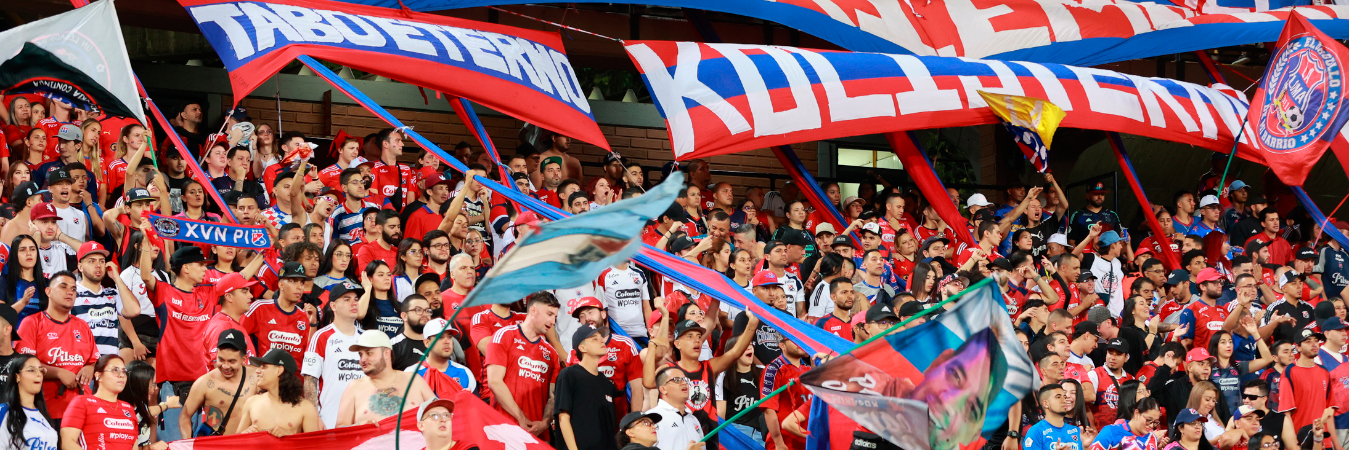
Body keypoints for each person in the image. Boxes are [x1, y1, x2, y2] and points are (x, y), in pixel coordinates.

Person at [15, 271, 95, 428]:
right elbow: (23, 365)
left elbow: (93, 360)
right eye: (63, 286)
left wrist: (90, 367)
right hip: (45, 411)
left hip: (83, 409)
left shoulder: (83, 326)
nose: (69, 292)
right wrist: (58, 372)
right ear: (48, 292)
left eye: (73, 289)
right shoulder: (31, 323)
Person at [485, 293, 559, 439]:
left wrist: (544, 423)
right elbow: (494, 382)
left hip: (537, 433)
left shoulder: (551, 353)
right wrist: (521, 417)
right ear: (533, 311)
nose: (553, 321)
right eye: (549, 314)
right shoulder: (503, 336)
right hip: (505, 429)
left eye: (555, 316)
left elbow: (553, 396)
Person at [335, 330, 434, 426]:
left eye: (369, 353)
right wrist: (358, 426)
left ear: (387, 353)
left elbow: (441, 412)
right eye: (360, 355)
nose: (362, 360)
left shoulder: (414, 380)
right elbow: (340, 429)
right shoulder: (354, 388)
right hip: (371, 442)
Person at [303, 281, 366, 428]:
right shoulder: (321, 336)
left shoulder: (367, 339)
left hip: (362, 422)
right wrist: (314, 417)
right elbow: (310, 380)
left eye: (356, 299)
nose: (354, 303)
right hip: (329, 421)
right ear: (333, 306)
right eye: (347, 299)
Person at [567, 296, 643, 415]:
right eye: (582, 316)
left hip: (618, 416)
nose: (587, 318)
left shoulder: (625, 344)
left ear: (603, 314)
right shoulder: (575, 350)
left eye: (590, 312)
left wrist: (634, 421)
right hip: (586, 415)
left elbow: (637, 388)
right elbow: (569, 390)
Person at [179, 329, 255, 438]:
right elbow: (185, 417)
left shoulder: (257, 377)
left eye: (231, 361)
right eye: (221, 359)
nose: (225, 366)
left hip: (247, 445)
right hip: (216, 445)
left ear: (243, 359)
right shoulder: (204, 383)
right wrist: (188, 444)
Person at [557, 324, 621, 450]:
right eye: (595, 339)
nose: (602, 340)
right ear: (582, 347)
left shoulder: (606, 383)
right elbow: (563, 417)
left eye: (601, 337)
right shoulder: (569, 374)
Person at [72, 241, 140, 357]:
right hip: (81, 362)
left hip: (109, 364)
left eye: (102, 261)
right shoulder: (71, 293)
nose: (98, 265)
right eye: (91, 261)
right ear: (80, 267)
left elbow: (134, 310)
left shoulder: (112, 293)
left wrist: (117, 278)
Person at [235, 349, 321, 436]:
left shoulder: (306, 408)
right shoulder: (251, 402)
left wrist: (291, 438)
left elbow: (315, 445)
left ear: (279, 371)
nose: (257, 371)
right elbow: (235, 442)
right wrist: (244, 435)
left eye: (264, 367)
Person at [59, 355, 137, 450]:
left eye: (124, 371)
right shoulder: (81, 403)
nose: (121, 375)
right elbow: (67, 443)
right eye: (115, 370)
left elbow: (134, 446)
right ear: (98, 376)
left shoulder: (128, 408)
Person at [243, 261, 311, 368]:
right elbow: (239, 335)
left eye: (302, 282)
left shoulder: (305, 317)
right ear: (281, 284)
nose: (299, 287)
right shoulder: (259, 308)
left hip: (294, 381)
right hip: (265, 377)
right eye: (293, 281)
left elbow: (309, 354)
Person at [0, 355, 58, 450]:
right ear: (17, 376)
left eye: (41, 370)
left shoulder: (44, 417)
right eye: (31, 370)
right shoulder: (4, 412)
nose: (38, 374)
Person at [405, 317, 474, 396]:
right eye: (440, 337)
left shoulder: (464, 372)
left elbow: (475, 407)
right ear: (427, 343)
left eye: (450, 336)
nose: (447, 341)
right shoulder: (411, 373)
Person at [649, 366, 706, 450]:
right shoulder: (650, 418)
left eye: (685, 380)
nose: (684, 383)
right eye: (676, 380)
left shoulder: (693, 419)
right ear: (663, 389)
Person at [1089, 397, 1165, 450]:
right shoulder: (1110, 431)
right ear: (1137, 413)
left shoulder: (1152, 438)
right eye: (1148, 420)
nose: (1151, 425)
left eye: (1155, 422)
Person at [1023, 383, 1082, 450]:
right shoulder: (1036, 432)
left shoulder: (1076, 431)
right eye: (1058, 397)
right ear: (1046, 404)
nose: (1064, 400)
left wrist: (1087, 448)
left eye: (1065, 397)